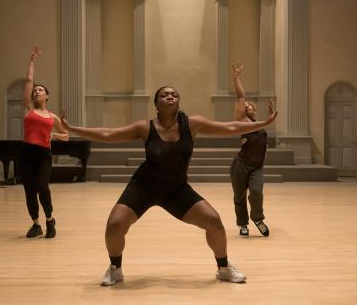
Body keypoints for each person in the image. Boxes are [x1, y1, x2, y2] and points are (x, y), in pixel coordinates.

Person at [61, 85, 276, 285]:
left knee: (214, 221)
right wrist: (72, 128)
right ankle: (115, 268)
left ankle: (224, 269)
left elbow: (229, 127)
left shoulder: (192, 123)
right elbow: (107, 134)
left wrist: (263, 124)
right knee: (114, 225)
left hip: (176, 189)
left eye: (173, 94)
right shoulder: (145, 127)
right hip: (144, 186)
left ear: (179, 102)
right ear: (156, 105)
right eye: (164, 94)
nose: (170, 96)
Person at [21, 45, 69, 239]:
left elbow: (66, 136)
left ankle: (50, 220)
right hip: (26, 154)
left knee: (42, 186)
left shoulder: (52, 116)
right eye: (35, 91)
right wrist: (32, 60)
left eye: (40, 90)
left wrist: (54, 136)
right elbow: (29, 80)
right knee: (29, 190)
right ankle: (35, 224)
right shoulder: (28, 109)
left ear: (47, 96)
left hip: (43, 155)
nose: (37, 92)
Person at [230, 63, 270, 237]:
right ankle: (242, 224)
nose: (248, 107)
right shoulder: (242, 122)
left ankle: (258, 218)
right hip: (241, 165)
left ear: (255, 110)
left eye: (250, 106)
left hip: (257, 166)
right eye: (245, 107)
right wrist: (236, 78)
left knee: (256, 192)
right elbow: (241, 96)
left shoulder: (261, 124)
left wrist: (270, 116)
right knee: (239, 196)